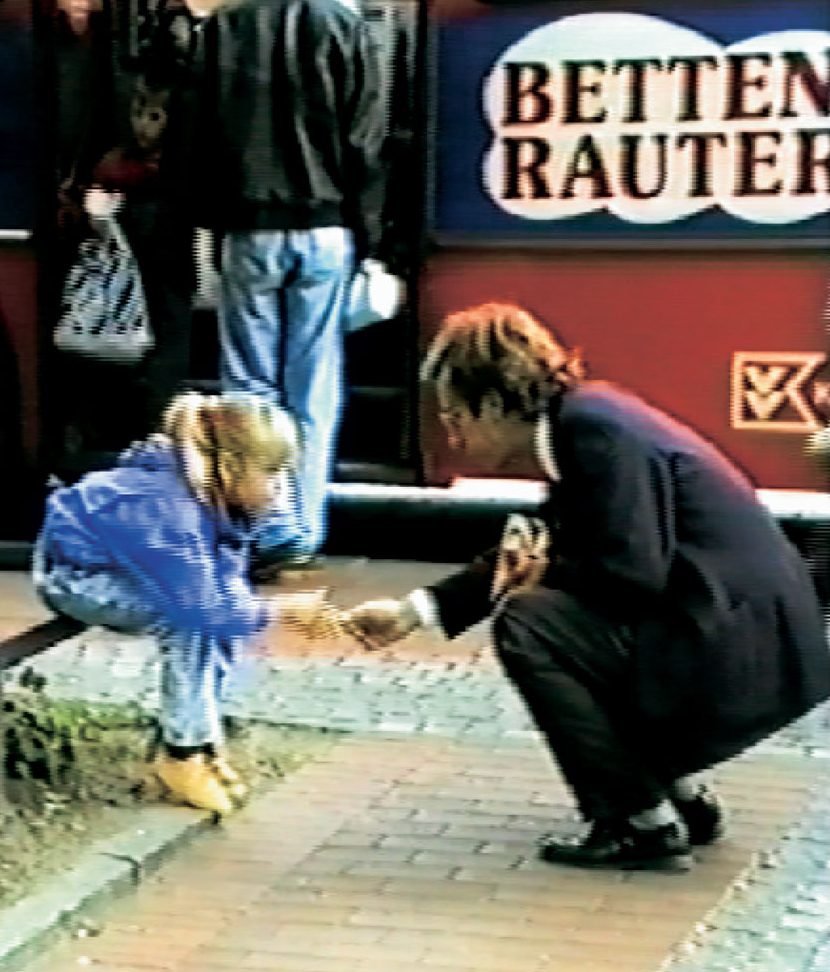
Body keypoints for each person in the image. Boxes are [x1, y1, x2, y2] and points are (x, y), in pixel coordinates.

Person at [345, 302, 830, 871]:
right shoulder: (585, 421)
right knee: (561, 617)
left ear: (497, 404)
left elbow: (631, 574)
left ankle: (636, 821)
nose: (450, 433)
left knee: (532, 624)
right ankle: (684, 799)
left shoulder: (594, 432)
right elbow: (556, 542)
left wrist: (541, 574)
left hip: (742, 646)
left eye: (457, 415)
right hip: (745, 630)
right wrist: (414, 612)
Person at [33, 391, 343, 814]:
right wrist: (280, 610)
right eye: (272, 472)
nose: (282, 487)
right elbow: (201, 607)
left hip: (133, 568)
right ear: (230, 468)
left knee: (213, 625)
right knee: (190, 625)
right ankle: (180, 757)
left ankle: (204, 744)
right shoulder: (169, 509)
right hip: (77, 576)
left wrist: (250, 605)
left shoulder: (211, 500)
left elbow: (224, 585)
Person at [187, 0, 388, 579]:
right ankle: (303, 528)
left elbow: (199, 136)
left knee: (248, 386)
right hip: (327, 231)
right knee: (313, 385)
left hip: (249, 228)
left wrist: (204, 221)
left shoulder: (222, 28)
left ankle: (262, 523)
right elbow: (365, 144)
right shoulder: (343, 27)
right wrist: (369, 235)